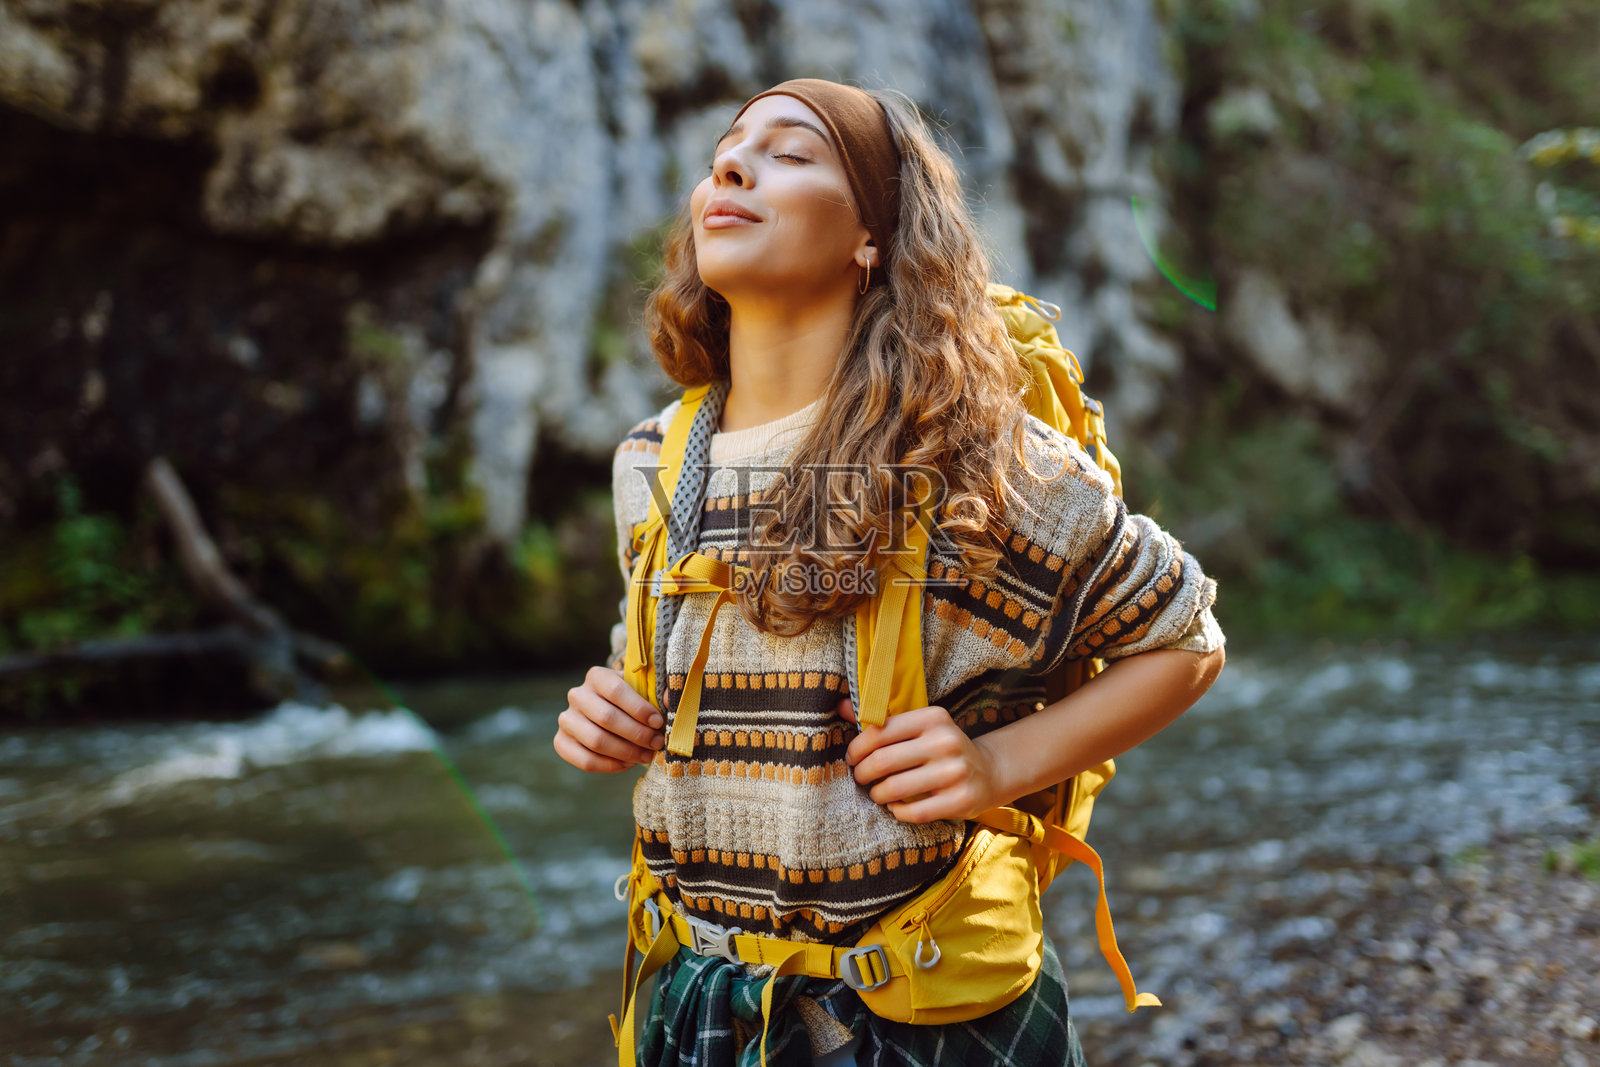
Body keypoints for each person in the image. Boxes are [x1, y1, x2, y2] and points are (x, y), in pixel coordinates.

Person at [554, 77, 1227, 1066]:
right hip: (702, 1004)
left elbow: (1186, 638)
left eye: (791, 152)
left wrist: (998, 765)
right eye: (726, 152)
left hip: (928, 1018)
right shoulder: (649, 461)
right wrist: (607, 710)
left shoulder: (977, 461)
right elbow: (648, 666)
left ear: (872, 235)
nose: (731, 166)